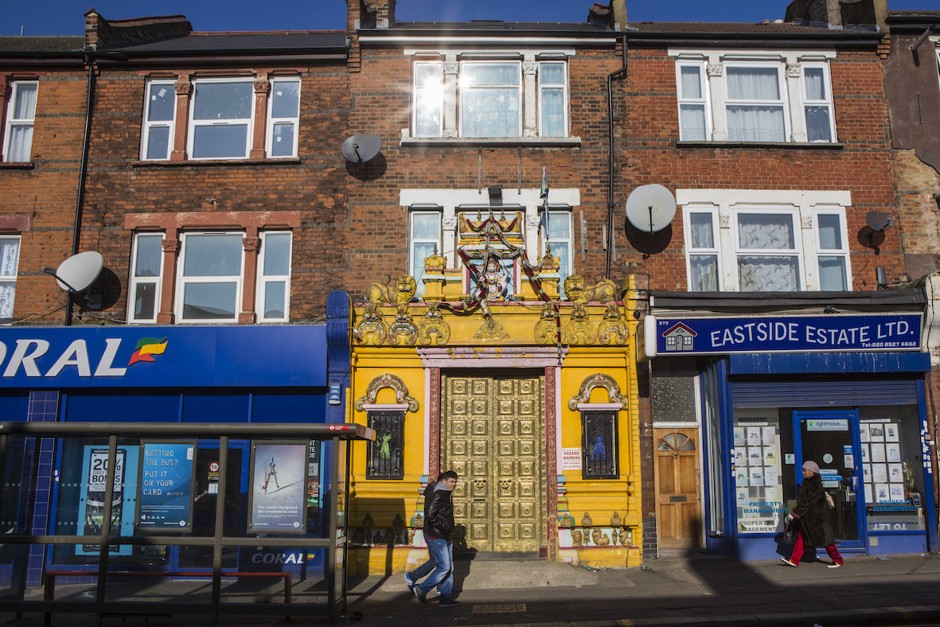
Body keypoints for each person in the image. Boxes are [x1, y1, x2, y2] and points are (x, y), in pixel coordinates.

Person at [406, 470, 460, 607]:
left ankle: (445, 596)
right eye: (451, 481)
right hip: (437, 535)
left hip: (443, 534)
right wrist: (443, 527)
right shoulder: (440, 493)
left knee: (447, 566)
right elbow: (430, 515)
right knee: (444, 566)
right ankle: (423, 588)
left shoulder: (441, 491)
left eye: (455, 482)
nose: (454, 484)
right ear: (444, 481)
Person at [781, 460, 845, 569]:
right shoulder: (808, 484)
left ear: (812, 472)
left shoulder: (816, 486)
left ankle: (838, 560)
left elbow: (809, 502)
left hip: (818, 518)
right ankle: (794, 560)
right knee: (801, 537)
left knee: (826, 540)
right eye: (803, 470)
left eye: (805, 470)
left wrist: (794, 513)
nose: (803, 472)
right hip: (808, 518)